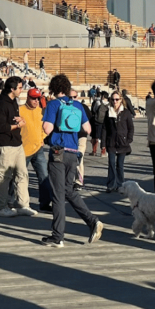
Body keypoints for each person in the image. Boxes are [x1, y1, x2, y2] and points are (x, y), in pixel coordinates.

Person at [40, 74, 103, 247]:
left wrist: (46, 121)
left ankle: (57, 236)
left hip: (58, 151)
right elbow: (88, 129)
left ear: (53, 88)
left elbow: (47, 129)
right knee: (69, 190)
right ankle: (92, 221)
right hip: (73, 152)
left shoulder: (53, 104)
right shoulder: (77, 105)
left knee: (58, 195)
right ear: (67, 89)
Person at [0, 77, 35, 217]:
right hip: (5, 145)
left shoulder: (13, 102)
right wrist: (17, 125)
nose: (21, 90)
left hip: (17, 144)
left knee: (22, 174)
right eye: (20, 87)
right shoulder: (2, 105)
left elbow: (12, 120)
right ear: (12, 88)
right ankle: (2, 207)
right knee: (4, 177)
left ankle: (23, 204)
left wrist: (19, 120)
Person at [19, 88, 52, 212]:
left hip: (38, 148)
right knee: (19, 177)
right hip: (23, 150)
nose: (36, 101)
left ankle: (45, 203)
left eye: (38, 98)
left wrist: (42, 138)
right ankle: (12, 200)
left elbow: (44, 128)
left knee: (44, 176)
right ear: (27, 97)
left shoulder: (41, 112)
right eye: (33, 98)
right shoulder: (20, 110)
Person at [103, 90, 134, 193]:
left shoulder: (126, 112)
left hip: (122, 143)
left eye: (117, 99)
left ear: (121, 100)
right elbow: (104, 128)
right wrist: (103, 143)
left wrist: (128, 139)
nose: (115, 101)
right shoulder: (108, 112)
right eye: (113, 99)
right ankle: (111, 185)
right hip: (111, 142)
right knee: (111, 163)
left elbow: (131, 127)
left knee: (119, 165)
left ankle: (120, 185)